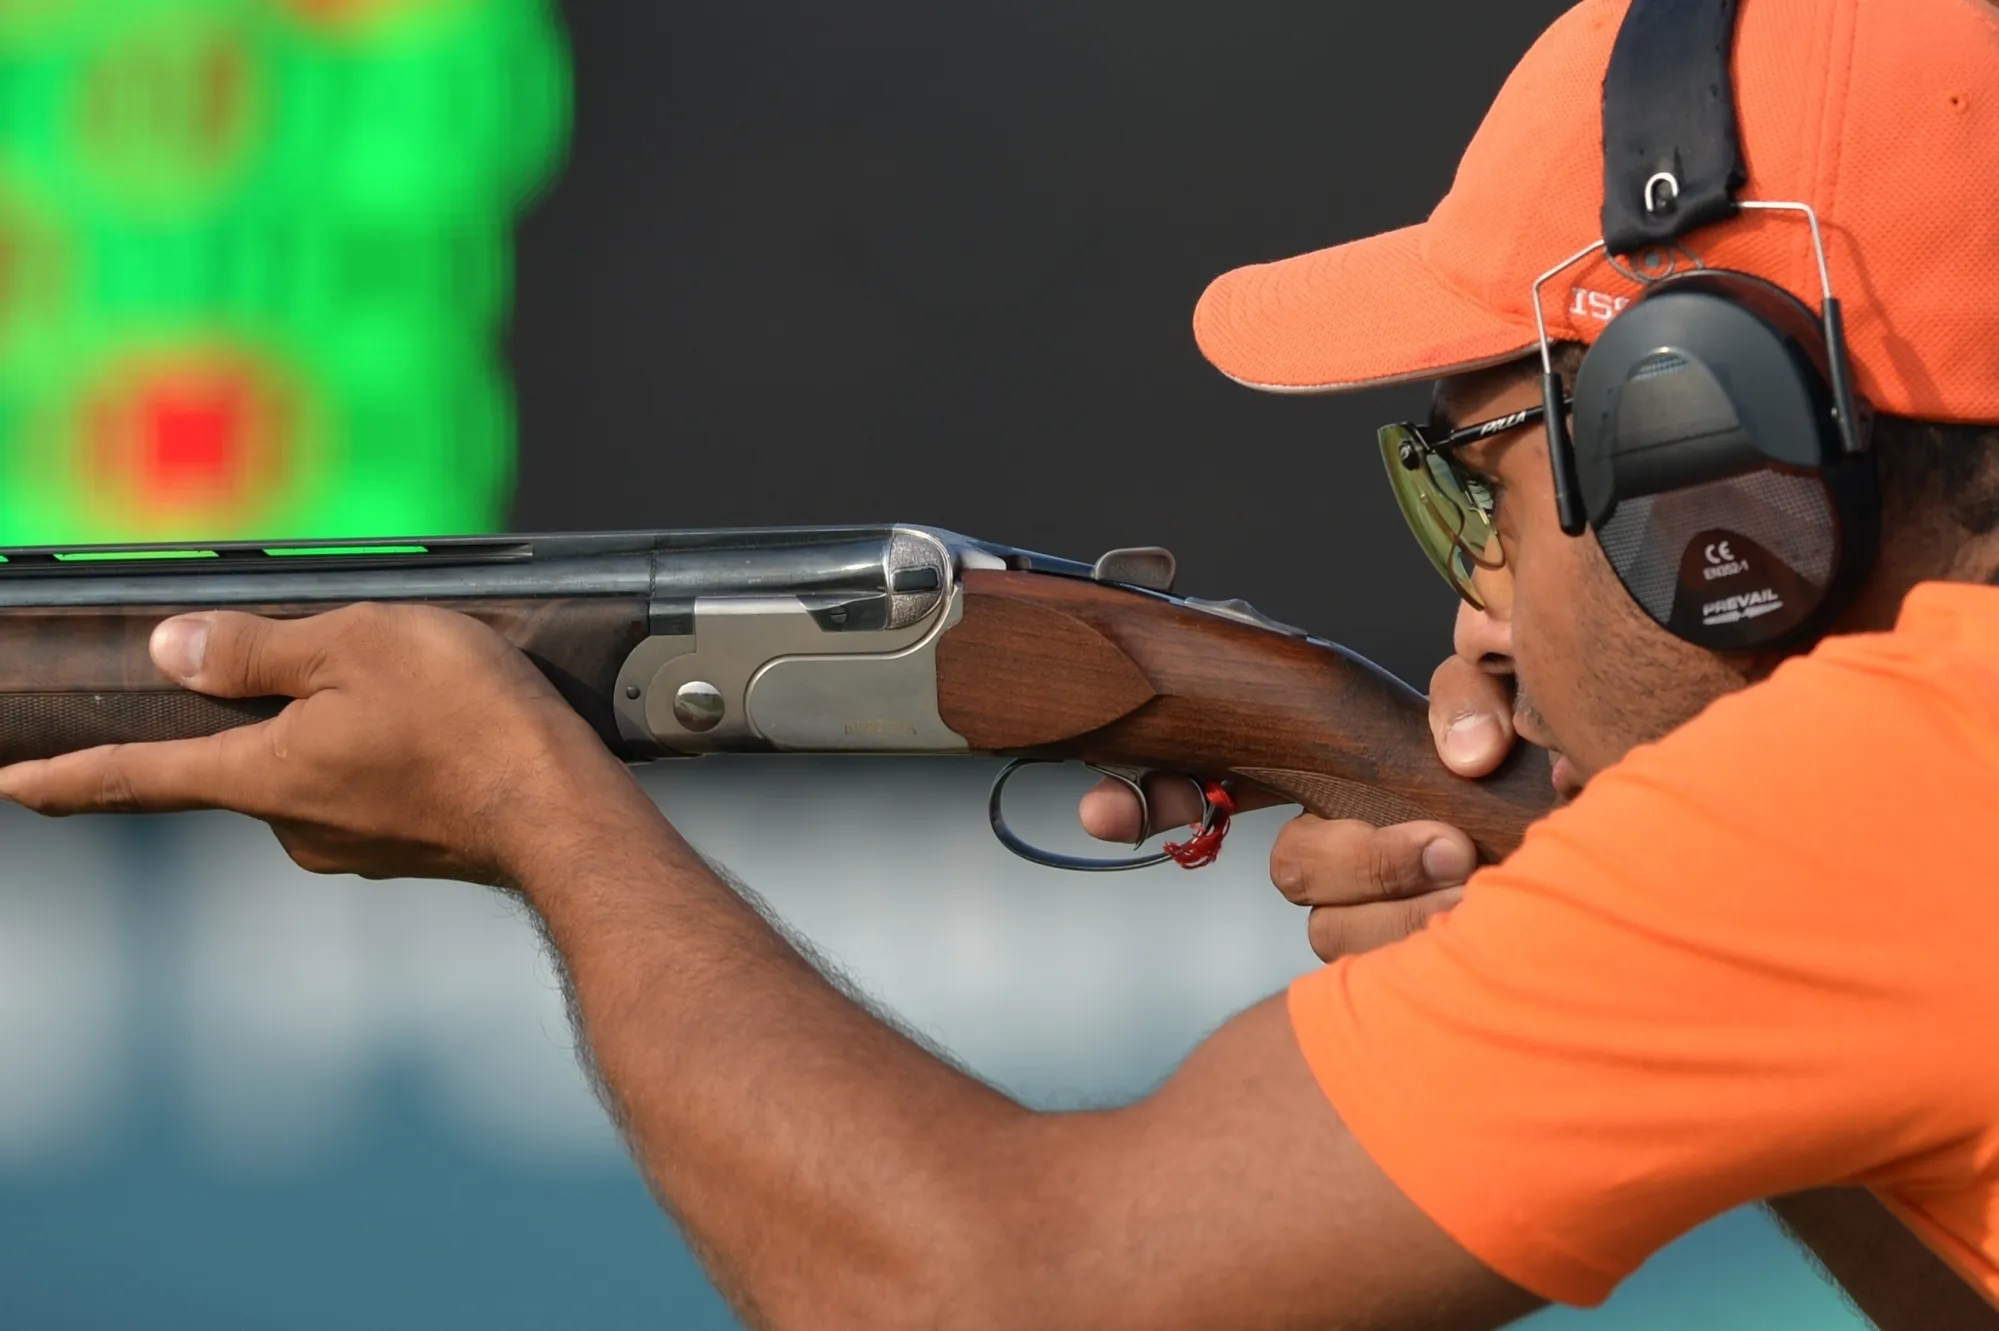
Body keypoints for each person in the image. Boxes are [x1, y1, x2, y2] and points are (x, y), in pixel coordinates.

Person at [4, 0, 1999, 1327]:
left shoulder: (1904, 784)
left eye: (1490, 469)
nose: (1476, 599)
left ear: (1703, 454)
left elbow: (993, 1296)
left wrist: (535, 806)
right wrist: (1606, 921)